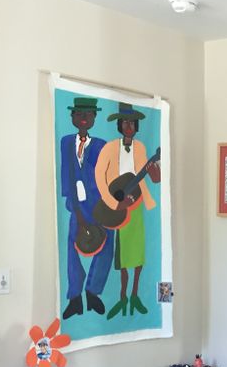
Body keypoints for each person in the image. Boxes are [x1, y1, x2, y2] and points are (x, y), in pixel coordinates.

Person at [94, 102, 161, 319]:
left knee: (138, 252)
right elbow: (99, 177)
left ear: (137, 126)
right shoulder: (109, 148)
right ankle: (122, 296)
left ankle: (135, 295)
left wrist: (154, 170)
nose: (129, 126)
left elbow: (154, 179)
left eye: (132, 123)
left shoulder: (141, 148)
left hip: (137, 203)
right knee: (123, 256)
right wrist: (114, 204)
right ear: (119, 125)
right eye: (125, 122)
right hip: (118, 206)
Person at [60, 97, 110, 319]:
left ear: (94, 118)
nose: (83, 118)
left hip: (99, 204)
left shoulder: (100, 145)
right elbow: (66, 173)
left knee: (107, 243)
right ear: (72, 116)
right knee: (73, 245)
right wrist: (75, 207)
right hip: (77, 204)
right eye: (79, 114)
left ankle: (93, 292)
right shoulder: (66, 142)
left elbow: (104, 176)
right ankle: (74, 297)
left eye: (88, 114)